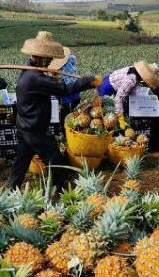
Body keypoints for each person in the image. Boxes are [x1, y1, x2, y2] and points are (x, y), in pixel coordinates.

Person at [7, 31, 100, 189]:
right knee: (55, 159)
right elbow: (64, 88)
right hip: (35, 130)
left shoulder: (29, 70)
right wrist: (88, 81)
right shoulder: (35, 78)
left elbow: (46, 83)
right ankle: (62, 189)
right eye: (48, 58)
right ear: (40, 57)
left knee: (21, 162)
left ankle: (10, 188)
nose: (50, 61)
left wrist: (48, 76)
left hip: (25, 126)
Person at [95, 61, 159, 129]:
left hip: (107, 81)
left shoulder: (133, 70)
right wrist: (121, 119)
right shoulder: (131, 80)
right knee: (106, 115)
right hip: (106, 89)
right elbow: (118, 98)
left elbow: (134, 90)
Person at [49, 47, 80, 122]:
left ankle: (65, 124)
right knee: (75, 106)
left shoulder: (57, 66)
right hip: (74, 84)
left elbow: (54, 77)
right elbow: (73, 57)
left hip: (66, 87)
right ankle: (73, 120)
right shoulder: (70, 59)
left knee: (65, 108)